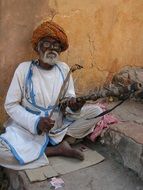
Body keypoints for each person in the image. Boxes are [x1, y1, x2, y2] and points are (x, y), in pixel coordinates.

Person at [0, 21, 102, 170]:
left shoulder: (64, 69)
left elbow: (68, 100)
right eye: (47, 44)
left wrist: (74, 108)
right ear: (38, 47)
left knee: (96, 112)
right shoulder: (24, 69)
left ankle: (60, 141)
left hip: (58, 126)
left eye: (57, 45)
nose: (52, 49)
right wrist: (36, 122)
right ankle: (56, 149)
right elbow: (10, 105)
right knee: (2, 152)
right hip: (29, 129)